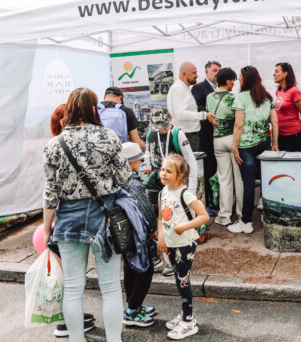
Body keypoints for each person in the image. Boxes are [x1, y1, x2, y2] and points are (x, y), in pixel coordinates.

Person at [42, 88, 132, 342]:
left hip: (68, 216)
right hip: (105, 216)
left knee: (72, 288)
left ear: (70, 110)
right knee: (111, 287)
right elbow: (125, 177)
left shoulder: (54, 145)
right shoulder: (108, 137)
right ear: (94, 108)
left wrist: (47, 228)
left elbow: (50, 193)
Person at [157, 153, 210, 340]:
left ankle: (188, 321)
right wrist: (161, 238)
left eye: (168, 171)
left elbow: (204, 216)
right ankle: (185, 313)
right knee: (179, 280)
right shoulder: (162, 192)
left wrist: (183, 227)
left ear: (180, 175)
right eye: (162, 169)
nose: (163, 173)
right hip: (171, 244)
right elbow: (161, 217)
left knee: (183, 280)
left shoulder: (185, 193)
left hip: (185, 244)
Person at [142, 106, 199, 277]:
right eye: (157, 126)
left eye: (164, 125)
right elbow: (147, 154)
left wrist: (191, 190)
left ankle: (179, 257)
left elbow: (191, 162)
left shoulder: (177, 134)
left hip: (176, 185)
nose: (161, 129)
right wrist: (147, 165)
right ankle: (167, 260)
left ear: (170, 118)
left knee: (175, 220)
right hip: (157, 183)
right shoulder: (151, 133)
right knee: (157, 221)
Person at [229, 66, 278, 235]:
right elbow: (275, 122)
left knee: (248, 184)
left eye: (241, 77)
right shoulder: (267, 97)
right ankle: (270, 216)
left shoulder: (240, 98)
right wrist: (274, 143)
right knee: (266, 181)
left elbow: (238, 124)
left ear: (247, 79)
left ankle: (246, 222)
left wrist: (234, 147)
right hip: (264, 144)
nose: (239, 80)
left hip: (246, 146)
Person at [120, 141, 158, 328]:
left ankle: (133, 306)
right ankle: (132, 311)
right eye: (139, 158)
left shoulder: (118, 179)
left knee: (130, 267)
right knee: (145, 269)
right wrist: (153, 229)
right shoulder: (133, 183)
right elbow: (145, 209)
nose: (142, 160)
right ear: (133, 161)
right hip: (137, 233)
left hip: (124, 232)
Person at [206, 67, 244, 226]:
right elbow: (238, 121)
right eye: (233, 80)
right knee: (239, 179)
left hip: (218, 140)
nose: (234, 83)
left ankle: (224, 215)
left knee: (224, 179)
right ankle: (242, 215)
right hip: (233, 139)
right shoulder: (234, 97)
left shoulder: (209, 97)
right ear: (228, 81)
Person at [191, 61, 221, 214]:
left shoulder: (220, 88)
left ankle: (216, 201)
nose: (217, 73)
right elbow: (195, 107)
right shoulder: (200, 87)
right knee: (208, 171)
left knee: (217, 170)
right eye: (214, 70)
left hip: (218, 136)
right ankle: (207, 203)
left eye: (219, 71)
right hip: (206, 136)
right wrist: (211, 110)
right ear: (207, 72)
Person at [167, 61, 217, 151]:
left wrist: (199, 114)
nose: (197, 75)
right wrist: (203, 115)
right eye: (194, 73)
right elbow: (180, 114)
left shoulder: (183, 87)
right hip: (187, 135)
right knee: (191, 164)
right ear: (184, 74)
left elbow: (185, 110)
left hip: (188, 134)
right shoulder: (179, 89)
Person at [273, 62, 301, 152]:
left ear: (285, 74)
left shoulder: (294, 91)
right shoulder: (278, 90)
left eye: (276, 71)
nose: (273, 74)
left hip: (293, 134)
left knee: (292, 163)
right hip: (280, 134)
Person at [98, 87, 145, 151]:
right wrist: (145, 148)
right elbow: (135, 141)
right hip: (119, 153)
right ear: (120, 98)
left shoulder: (94, 109)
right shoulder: (126, 111)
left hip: (98, 152)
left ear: (104, 98)